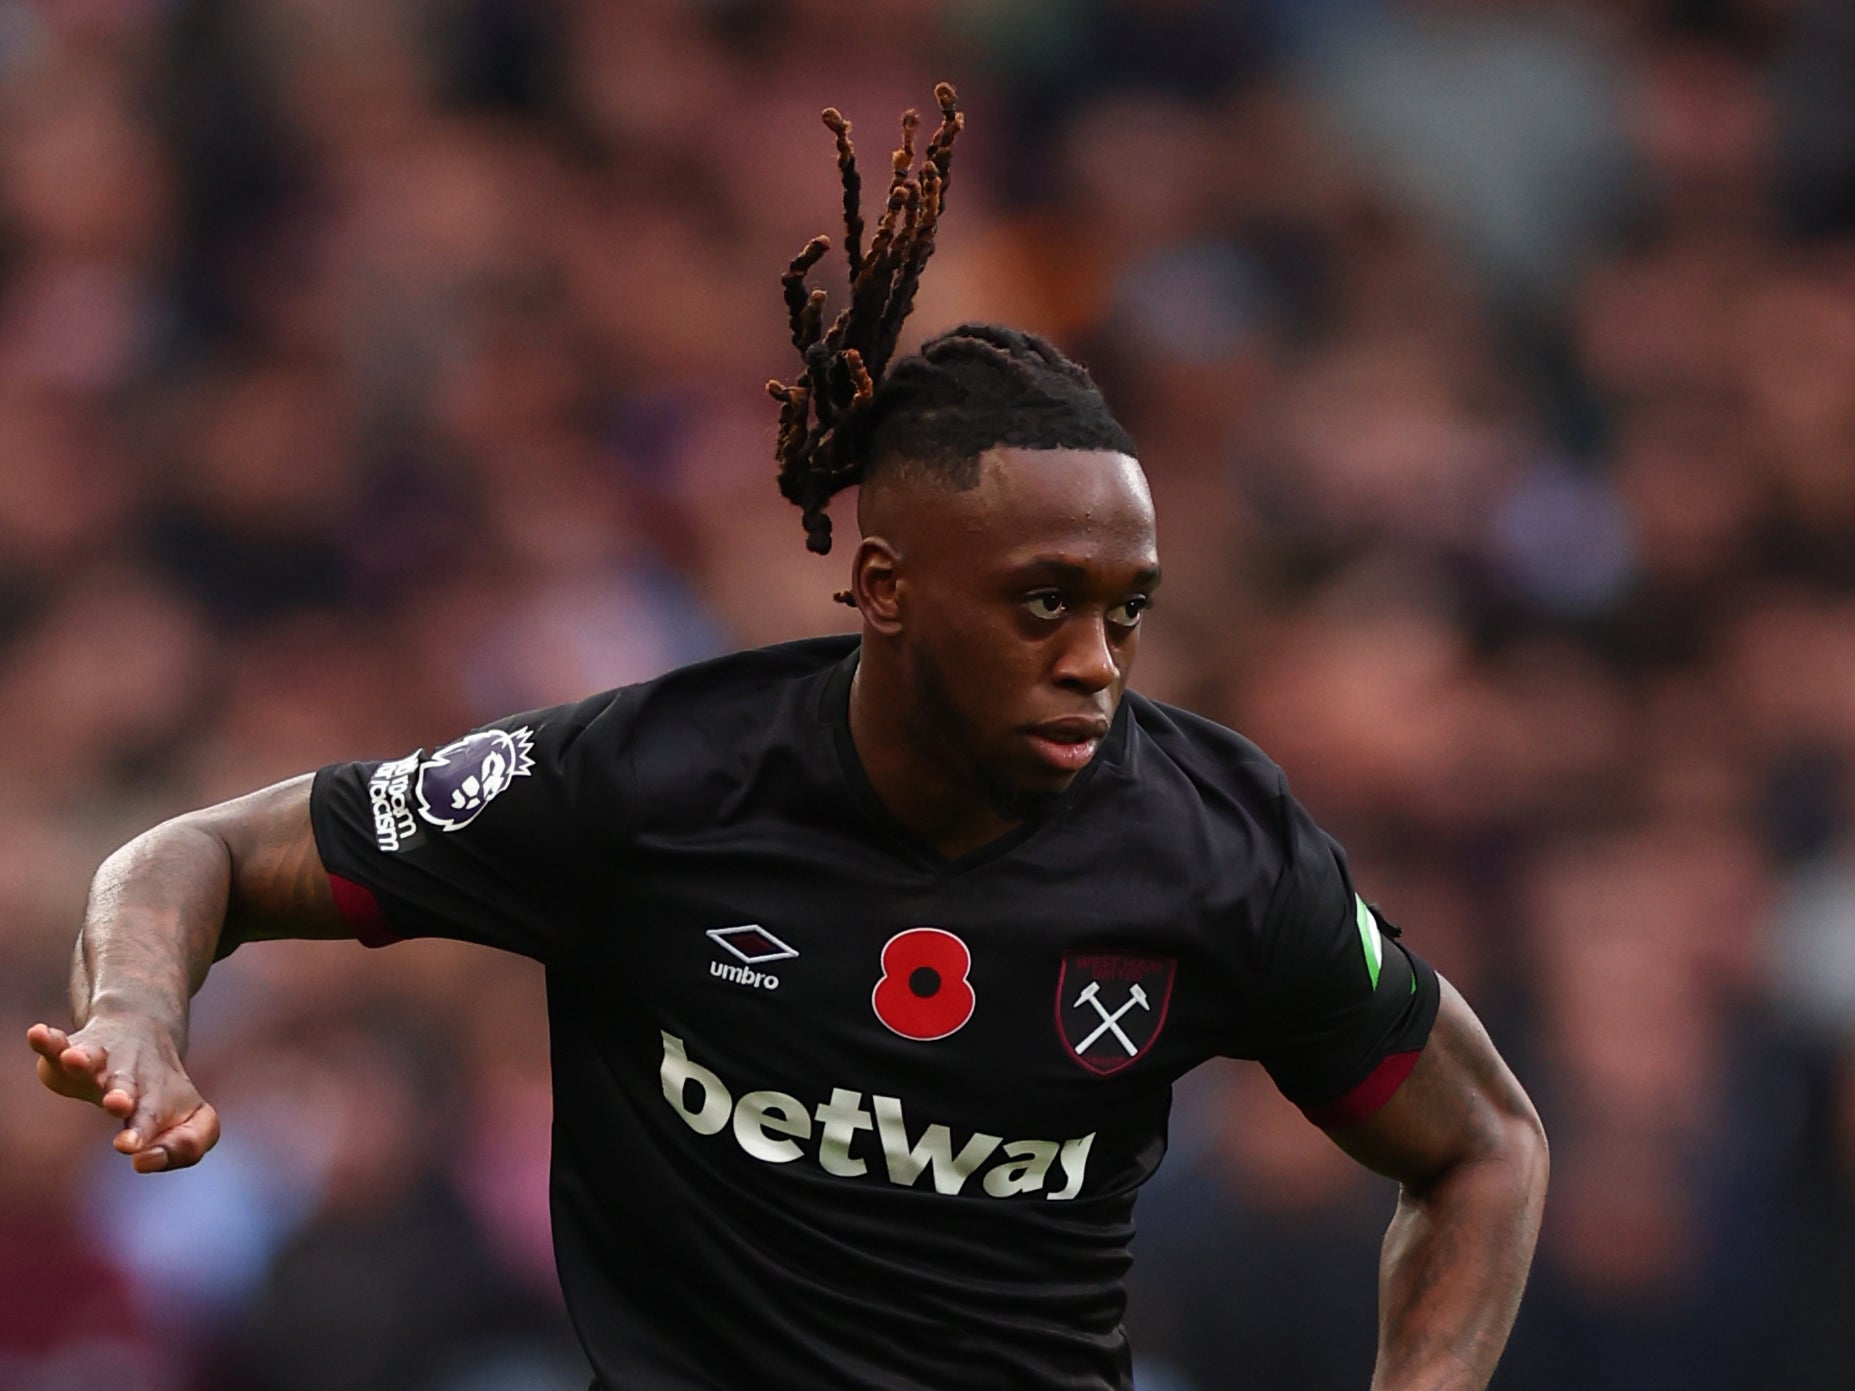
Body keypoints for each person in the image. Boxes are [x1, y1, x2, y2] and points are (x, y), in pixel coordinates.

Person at [29, 84, 1547, 1390]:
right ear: (883, 589)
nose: (1097, 663)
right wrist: (146, 1018)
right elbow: (196, 854)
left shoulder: (1220, 843)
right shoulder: (651, 783)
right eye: (1041, 604)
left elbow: (1481, 1145)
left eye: (1128, 609)